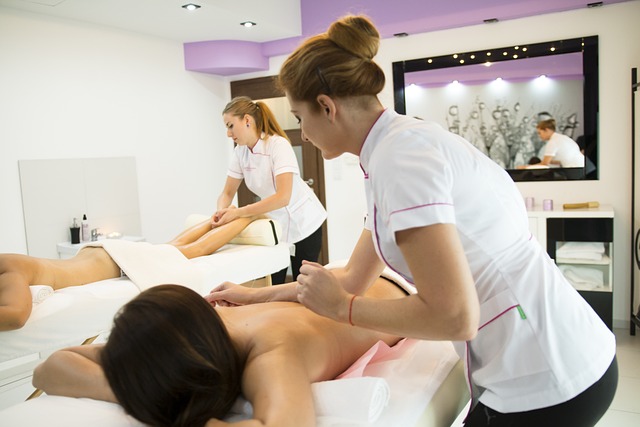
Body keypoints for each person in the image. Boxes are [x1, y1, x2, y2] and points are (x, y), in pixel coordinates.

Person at [208, 15, 618, 427]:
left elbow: (454, 316)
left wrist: (345, 310)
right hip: (540, 356)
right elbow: (351, 278)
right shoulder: (393, 149)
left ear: (327, 107)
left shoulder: (400, 160)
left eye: (300, 118)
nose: (304, 132)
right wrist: (251, 296)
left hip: (546, 373)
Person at [32, 280, 404, 427]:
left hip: (396, 293)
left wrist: (164, 405)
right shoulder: (192, 327)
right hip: (348, 283)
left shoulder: (273, 354)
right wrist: (136, 389)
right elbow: (50, 368)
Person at [0, 216, 256, 331]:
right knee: (174, 246)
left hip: (112, 261)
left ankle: (246, 215)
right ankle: (235, 215)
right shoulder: (8, 264)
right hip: (100, 255)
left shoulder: (10, 270)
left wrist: (245, 215)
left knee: (193, 250)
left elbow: (16, 316)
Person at [213, 96, 327, 284]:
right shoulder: (240, 152)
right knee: (273, 284)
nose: (228, 133)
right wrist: (220, 212)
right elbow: (227, 193)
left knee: (303, 286)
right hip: (277, 226)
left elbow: (283, 197)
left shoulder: (277, 145)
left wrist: (239, 213)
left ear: (247, 120)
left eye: (230, 125)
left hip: (305, 223)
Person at [520, 118, 585, 169]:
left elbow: (544, 164)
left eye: (540, 133)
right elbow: (565, 158)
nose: (539, 136)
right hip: (584, 166)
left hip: (576, 169)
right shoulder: (563, 138)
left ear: (546, 130)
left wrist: (525, 167)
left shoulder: (553, 142)